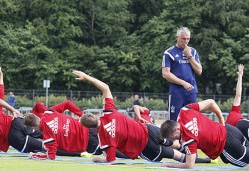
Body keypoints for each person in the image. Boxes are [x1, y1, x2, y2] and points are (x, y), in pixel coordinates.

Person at [72, 70, 212, 164]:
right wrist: (86, 76)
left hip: (145, 147)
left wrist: (98, 159)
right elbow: (105, 87)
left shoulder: (104, 140)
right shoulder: (109, 112)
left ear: (89, 128)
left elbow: (110, 160)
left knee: (175, 155)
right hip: (149, 130)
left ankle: (206, 161)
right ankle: (204, 155)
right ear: (95, 115)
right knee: (175, 143)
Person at [160, 99, 249, 169]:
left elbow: (189, 165)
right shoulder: (185, 111)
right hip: (230, 130)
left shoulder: (188, 140)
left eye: (174, 137)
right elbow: (211, 102)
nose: (175, 140)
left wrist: (169, 165)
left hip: (228, 146)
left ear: (176, 129)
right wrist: (221, 118)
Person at [162, 27, 202, 121]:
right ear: (177, 37)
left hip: (191, 92)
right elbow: (165, 74)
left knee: (192, 120)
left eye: (188, 39)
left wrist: (189, 56)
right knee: (174, 121)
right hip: (176, 92)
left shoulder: (193, 52)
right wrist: (183, 83)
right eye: (183, 39)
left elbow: (199, 71)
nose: (186, 41)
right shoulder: (169, 53)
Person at [225, 64, 249, 141]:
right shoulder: (235, 110)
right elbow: (238, 94)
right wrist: (240, 76)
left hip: (239, 133)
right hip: (241, 128)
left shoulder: (235, 111)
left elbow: (238, 94)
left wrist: (240, 76)